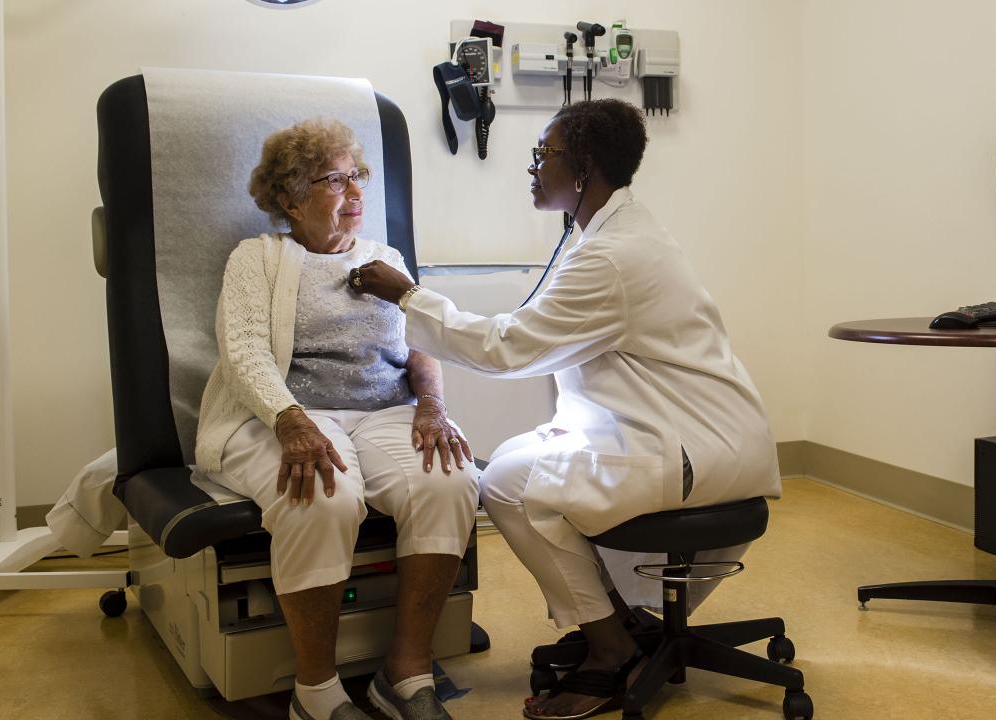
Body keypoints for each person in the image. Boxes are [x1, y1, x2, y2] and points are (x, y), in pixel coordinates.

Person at [351, 99, 782, 720]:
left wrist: (409, 296)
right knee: (516, 456)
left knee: (507, 482)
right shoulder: (612, 232)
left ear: (582, 168)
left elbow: (508, 348)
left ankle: (610, 649)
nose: (533, 167)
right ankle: (621, 622)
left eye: (542, 155)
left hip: (694, 446)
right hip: (688, 428)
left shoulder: (611, 257)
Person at [195, 118, 477, 720]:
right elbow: (242, 350)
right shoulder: (257, 258)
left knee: (452, 480)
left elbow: (419, 346)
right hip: (281, 413)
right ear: (290, 200)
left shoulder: (385, 259)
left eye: (358, 177)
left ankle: (405, 671)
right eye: (334, 180)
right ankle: (316, 691)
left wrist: (433, 406)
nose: (355, 193)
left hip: (382, 410)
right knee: (322, 495)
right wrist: (292, 422)